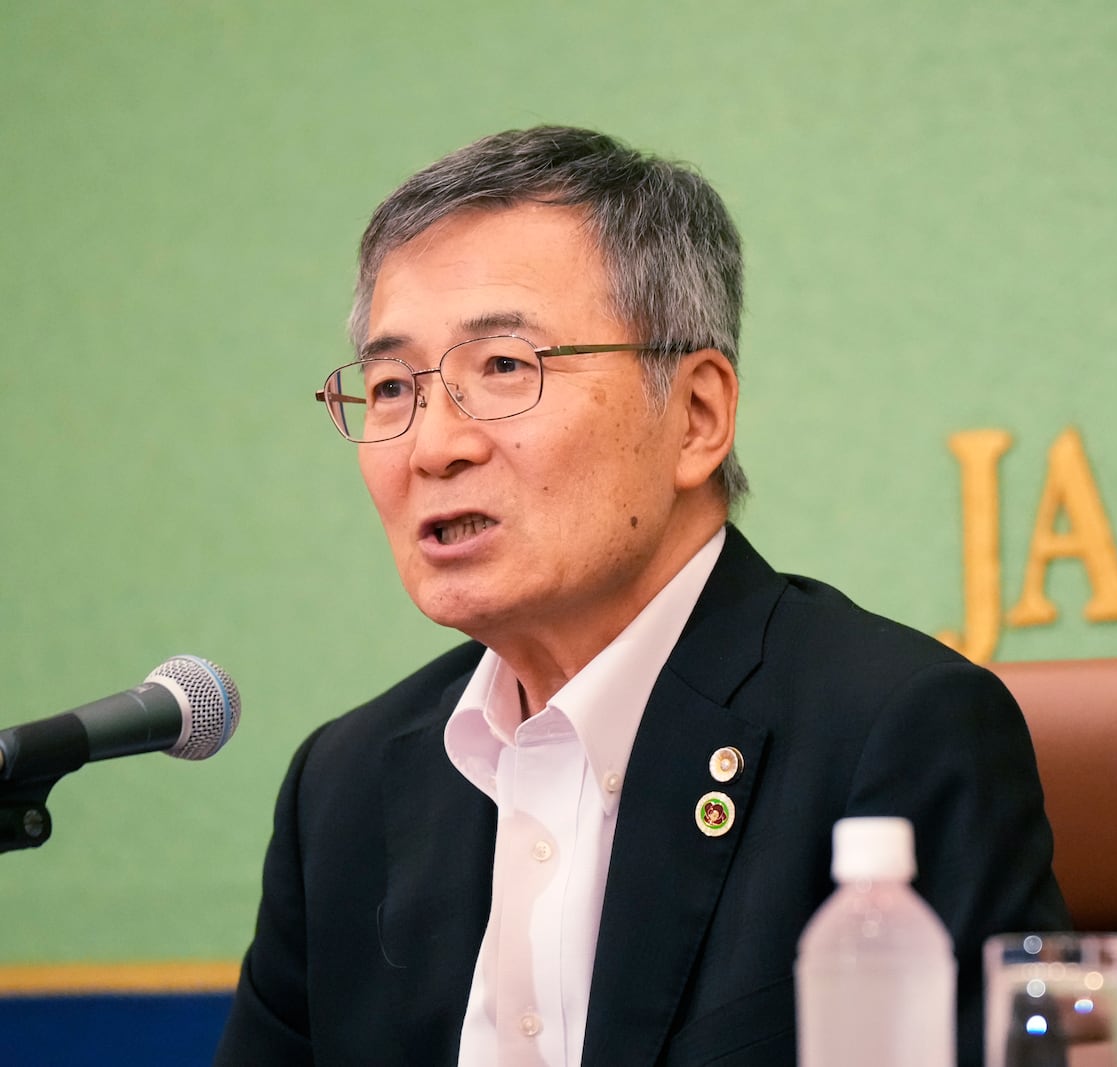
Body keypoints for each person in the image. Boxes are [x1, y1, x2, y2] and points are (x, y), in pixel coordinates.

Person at [216, 125, 1068, 1067]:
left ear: (697, 415)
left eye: (503, 367)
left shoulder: (896, 732)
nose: (432, 445)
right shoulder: (343, 790)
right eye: (389, 387)